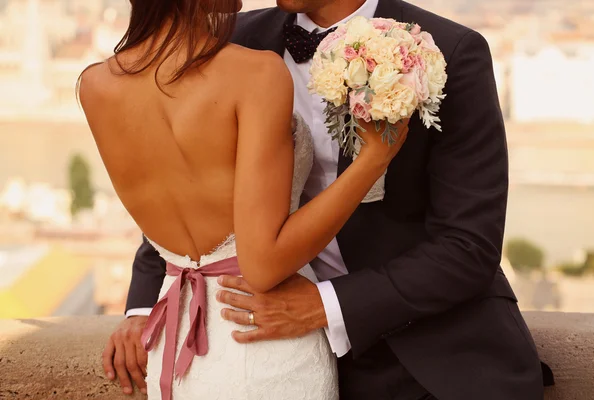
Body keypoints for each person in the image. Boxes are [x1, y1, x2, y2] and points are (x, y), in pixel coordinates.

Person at [106, 0, 549, 399]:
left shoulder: (450, 51)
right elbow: (185, 181)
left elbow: (469, 246)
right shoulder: (233, 43)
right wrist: (144, 305)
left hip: (431, 354)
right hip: (268, 350)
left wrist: (324, 306)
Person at [80, 0, 408, 398]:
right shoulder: (255, 72)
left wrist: (141, 312)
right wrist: (374, 159)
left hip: (177, 338)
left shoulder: (94, 85)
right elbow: (263, 264)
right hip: (264, 343)